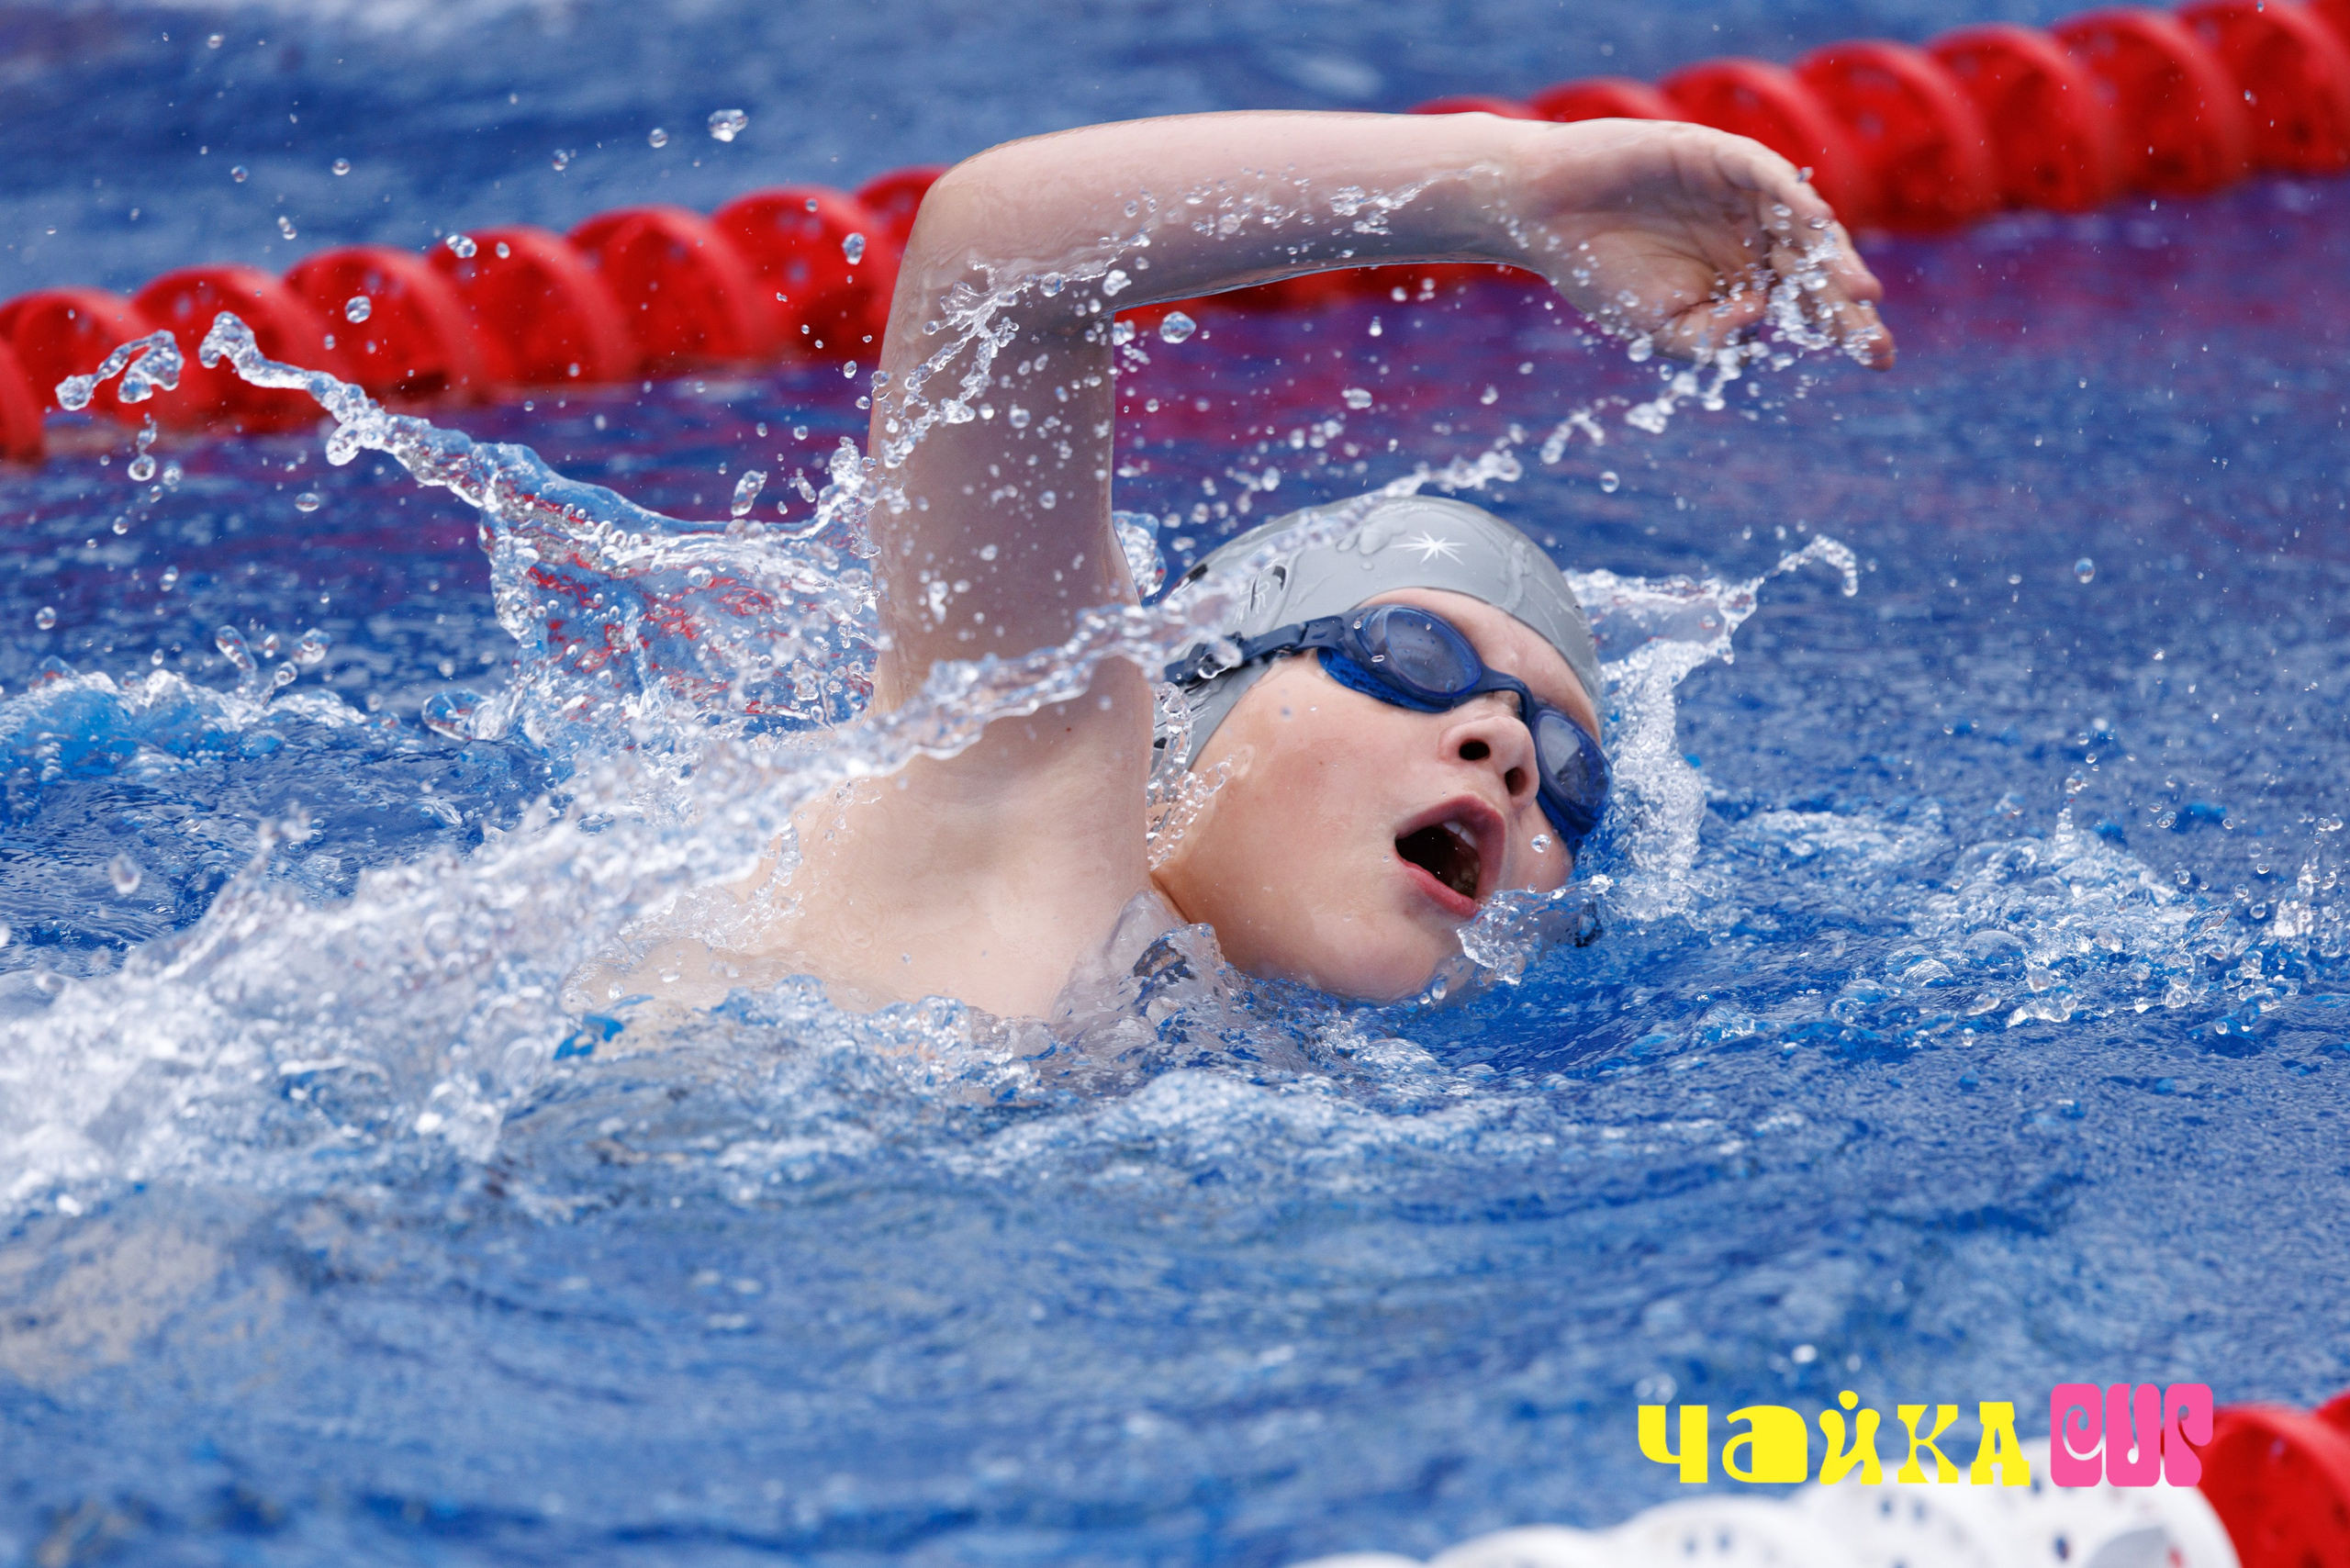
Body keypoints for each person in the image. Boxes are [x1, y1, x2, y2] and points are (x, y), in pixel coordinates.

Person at [726, 110, 1893, 1020]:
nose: (1503, 749)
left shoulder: (1262, 1079)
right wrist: (1506, 190)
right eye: (1410, 656)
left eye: (1568, 765)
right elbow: (1002, 261)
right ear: (1187, 705)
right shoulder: (1019, 808)